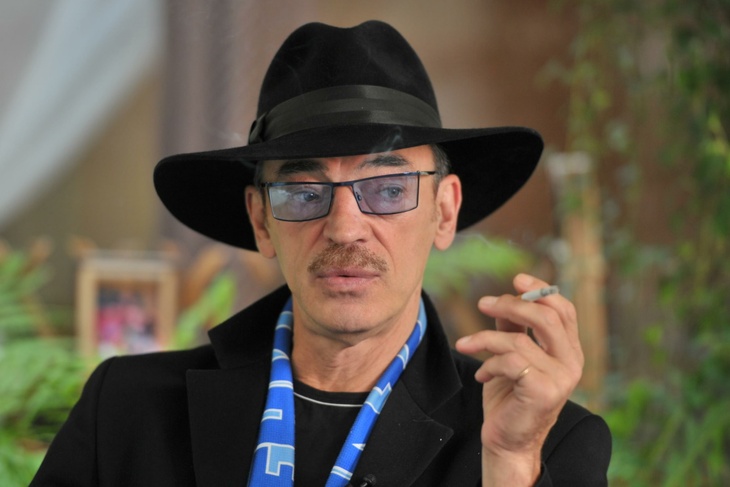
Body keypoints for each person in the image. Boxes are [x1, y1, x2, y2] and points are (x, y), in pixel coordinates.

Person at [31, 20, 611, 486]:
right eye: (304, 193)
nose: (344, 228)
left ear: (444, 211)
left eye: (388, 190)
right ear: (261, 220)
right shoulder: (127, 410)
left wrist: (510, 462)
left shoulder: (542, 440)